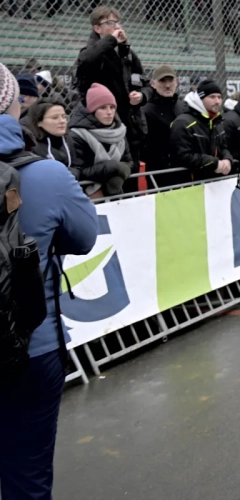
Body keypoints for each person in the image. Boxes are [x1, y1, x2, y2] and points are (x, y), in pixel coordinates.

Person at [0, 61, 98, 500]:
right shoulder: (47, 173)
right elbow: (83, 238)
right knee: (27, 475)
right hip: (28, 346)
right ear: (14, 104)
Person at [74, 5, 148, 171]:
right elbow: (87, 60)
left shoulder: (128, 54)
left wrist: (142, 96)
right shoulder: (90, 53)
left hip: (130, 124)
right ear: (97, 28)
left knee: (131, 172)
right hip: (102, 126)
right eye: (110, 23)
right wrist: (111, 40)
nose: (117, 26)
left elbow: (146, 83)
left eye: (118, 22)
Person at [69, 83, 133, 197]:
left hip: (117, 192)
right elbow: (78, 171)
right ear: (92, 110)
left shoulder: (120, 131)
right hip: (86, 194)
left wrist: (116, 176)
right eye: (103, 108)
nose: (109, 112)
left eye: (112, 107)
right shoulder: (76, 135)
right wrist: (112, 167)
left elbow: (128, 162)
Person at [170, 79, 233, 180]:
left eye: (219, 97)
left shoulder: (217, 121)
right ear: (200, 99)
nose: (217, 101)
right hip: (189, 186)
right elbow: (183, 156)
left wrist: (227, 159)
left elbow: (223, 147)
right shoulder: (183, 123)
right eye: (212, 97)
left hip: (213, 184)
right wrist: (214, 163)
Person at [141, 65, 190, 187]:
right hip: (160, 174)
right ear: (153, 84)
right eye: (162, 81)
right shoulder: (146, 111)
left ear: (177, 82)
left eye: (170, 80)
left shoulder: (183, 107)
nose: (167, 85)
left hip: (185, 169)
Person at [27, 98, 76, 170]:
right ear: (39, 122)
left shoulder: (69, 139)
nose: (62, 121)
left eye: (63, 116)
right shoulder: (32, 146)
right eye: (54, 118)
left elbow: (78, 165)